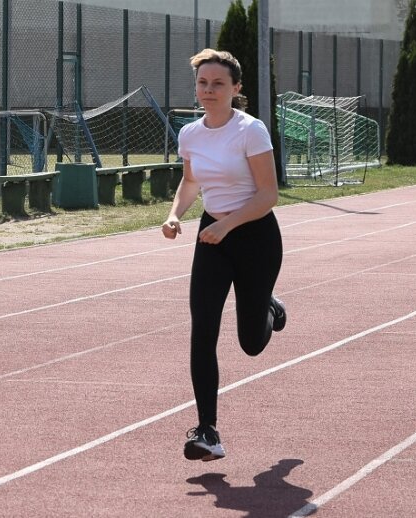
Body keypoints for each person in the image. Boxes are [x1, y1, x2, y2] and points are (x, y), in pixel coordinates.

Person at [161, 48, 286, 461]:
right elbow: (190, 182)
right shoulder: (190, 134)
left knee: (251, 343)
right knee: (203, 330)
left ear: (236, 88)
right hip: (212, 239)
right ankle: (208, 431)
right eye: (202, 83)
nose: (208, 90)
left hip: (255, 238)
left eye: (218, 83)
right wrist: (176, 214)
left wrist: (227, 224)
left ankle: (268, 308)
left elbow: (268, 194)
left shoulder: (251, 131)